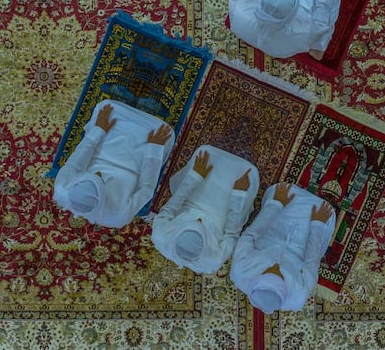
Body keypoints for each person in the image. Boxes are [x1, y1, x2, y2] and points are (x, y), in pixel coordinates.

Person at [53, 99, 175, 228]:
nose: (99, 172)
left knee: (107, 107)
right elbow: (146, 189)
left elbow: (75, 163)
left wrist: (99, 130)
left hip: (102, 151)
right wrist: (153, 149)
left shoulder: (61, 189)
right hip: (136, 164)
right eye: (100, 178)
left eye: (93, 174)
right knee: (165, 132)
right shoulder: (118, 216)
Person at [229, 182, 336, 314]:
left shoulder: (240, 270)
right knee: (324, 212)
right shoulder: (298, 295)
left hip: (270, 232)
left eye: (268, 270)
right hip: (300, 247)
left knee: (284, 192)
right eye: (280, 275)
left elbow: (251, 235)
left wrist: (276, 205)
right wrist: (317, 226)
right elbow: (311, 261)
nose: (276, 267)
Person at [151, 145, 260, 274]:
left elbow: (171, 207)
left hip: (190, 203)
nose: (199, 219)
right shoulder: (214, 260)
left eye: (193, 222)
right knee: (250, 173)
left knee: (204, 153)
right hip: (221, 216)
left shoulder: (159, 236)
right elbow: (231, 233)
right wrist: (237, 196)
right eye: (200, 225)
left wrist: (194, 177)